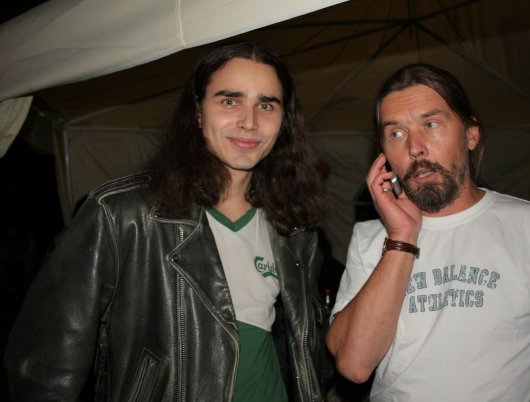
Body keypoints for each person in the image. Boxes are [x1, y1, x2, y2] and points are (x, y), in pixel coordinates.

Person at [5, 41, 327, 402]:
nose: (249, 122)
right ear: (198, 112)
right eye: (230, 101)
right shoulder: (122, 215)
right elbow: (43, 368)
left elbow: (304, 352)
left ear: (283, 122)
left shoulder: (294, 228)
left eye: (266, 105)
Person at [326, 63, 530, 401]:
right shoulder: (370, 239)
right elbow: (354, 365)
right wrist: (402, 237)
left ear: (471, 135)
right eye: (396, 133)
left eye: (431, 124)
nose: (415, 147)